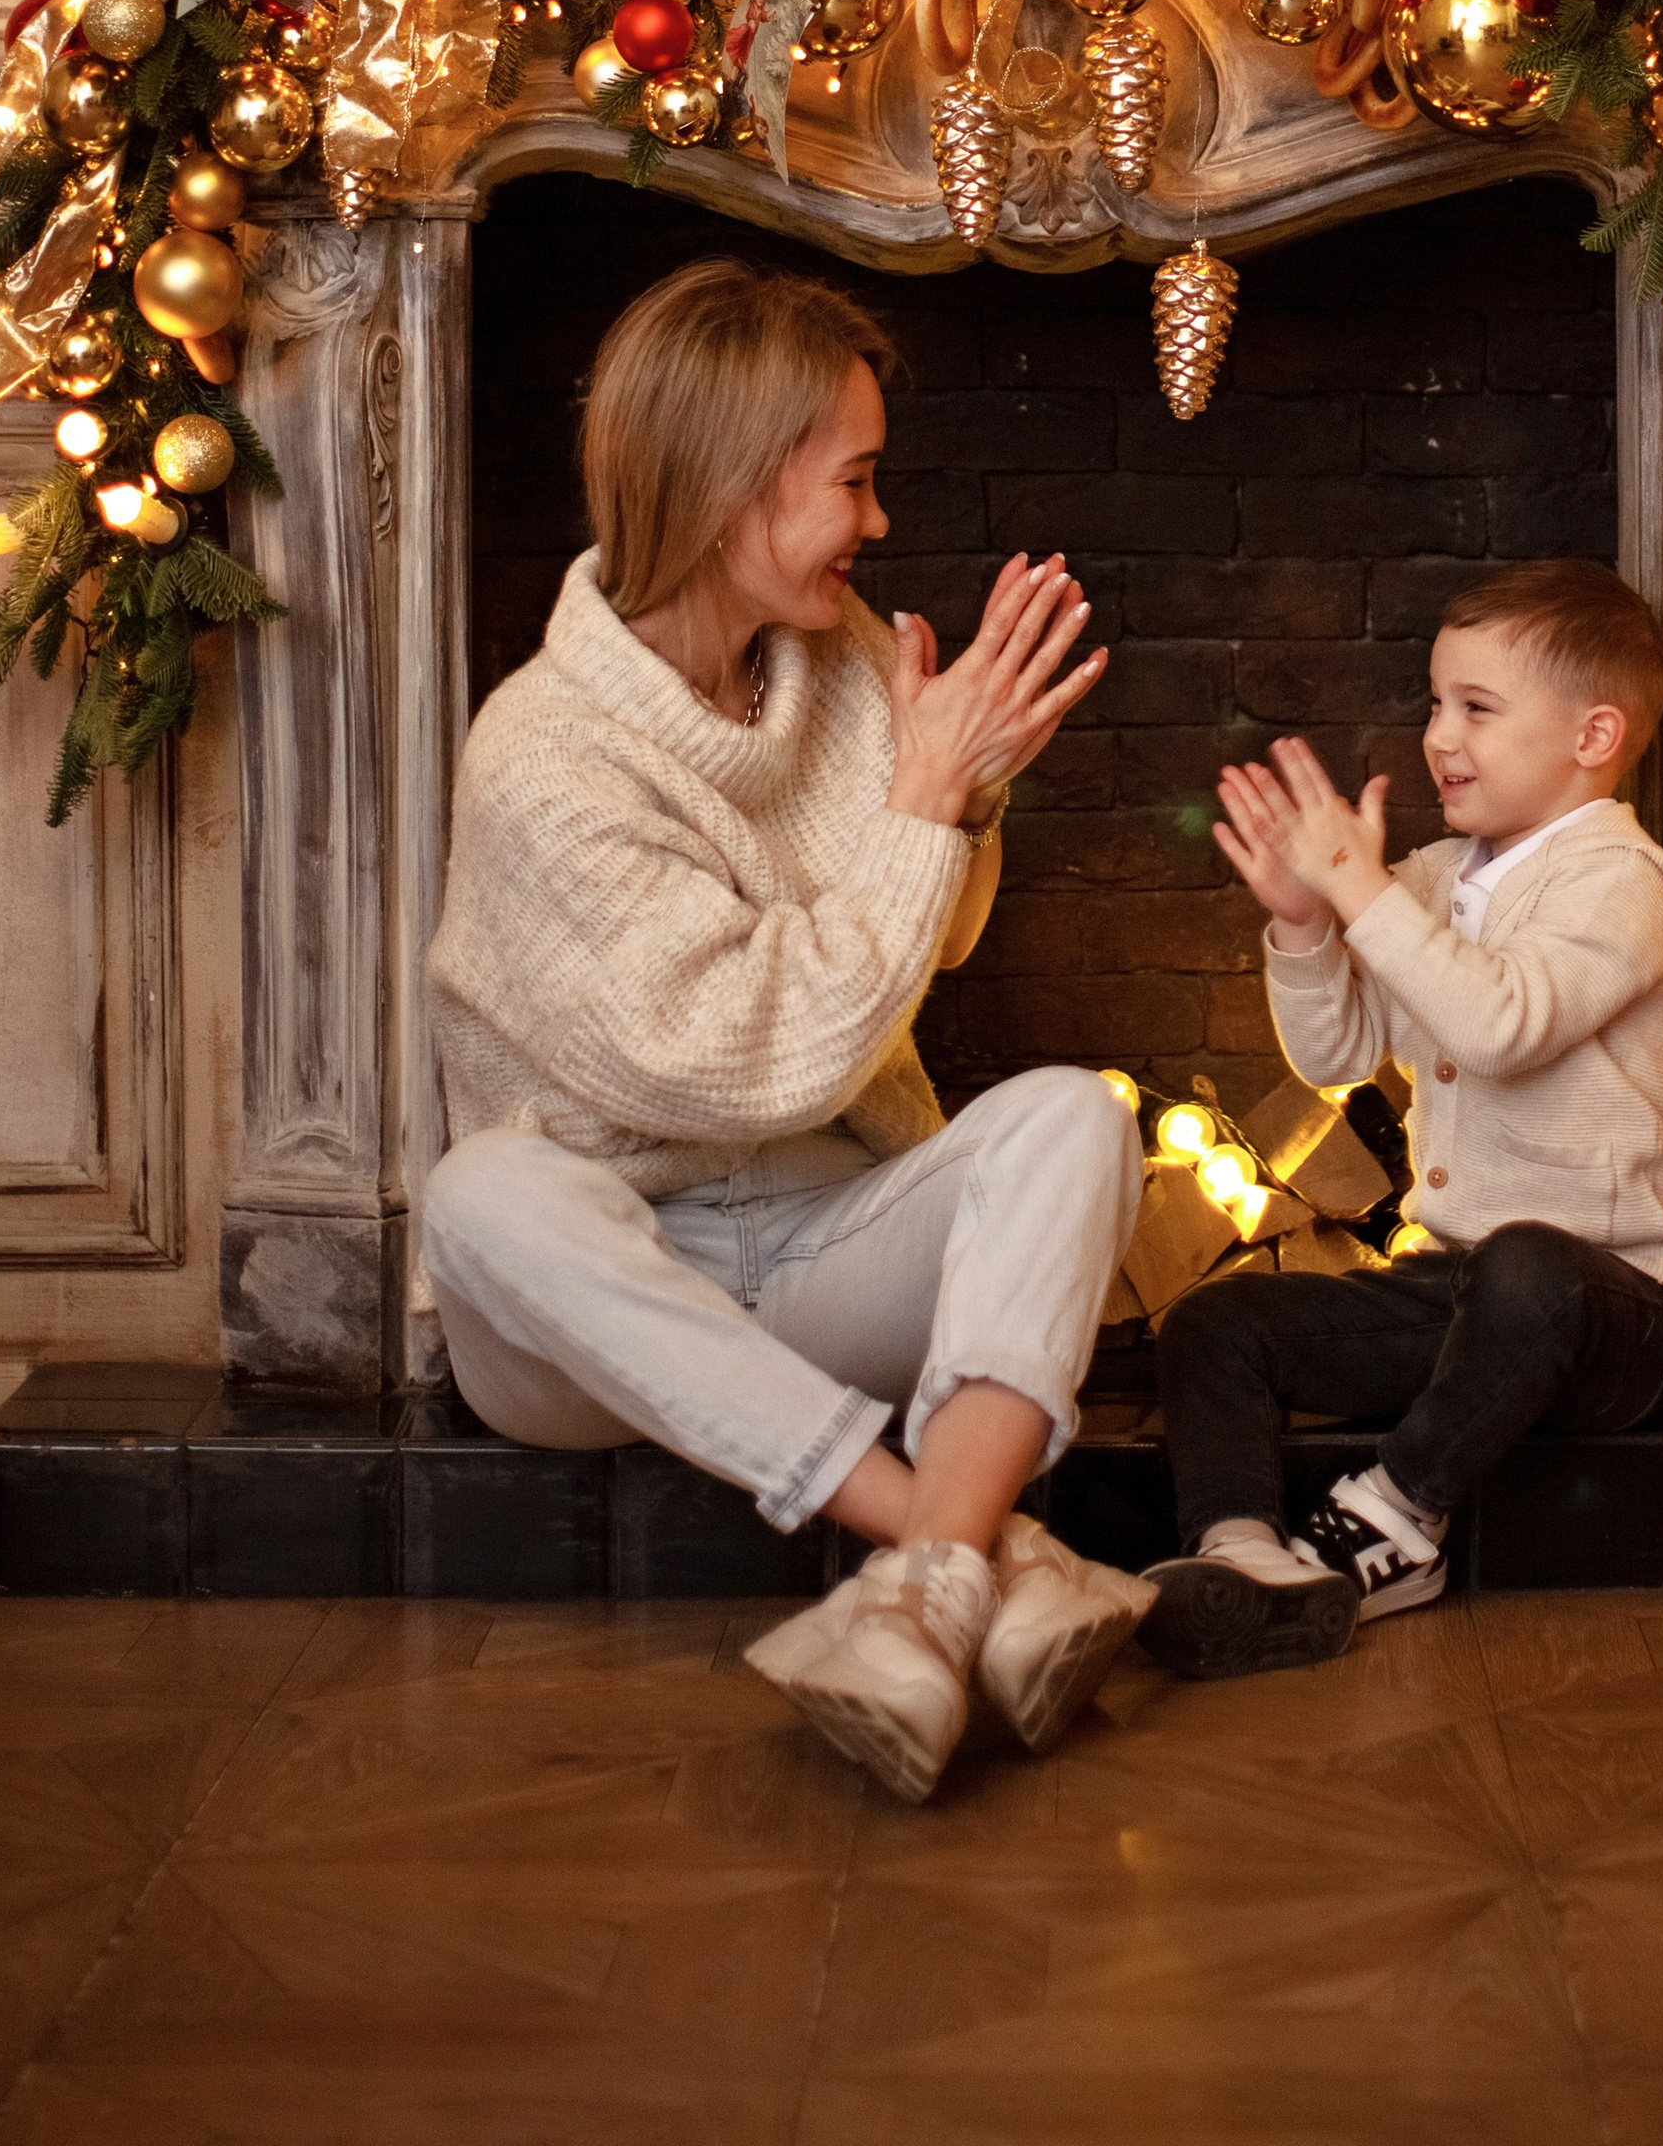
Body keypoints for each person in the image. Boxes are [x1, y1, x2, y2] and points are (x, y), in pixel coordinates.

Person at [420, 256, 1151, 1804]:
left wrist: (970, 792)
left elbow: (920, 948)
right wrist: (925, 799)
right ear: (730, 489)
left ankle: (920, 1595)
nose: (880, 524)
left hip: (823, 1238)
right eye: (855, 482)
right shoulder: (541, 755)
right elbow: (740, 1053)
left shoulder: (837, 666)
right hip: (596, 1308)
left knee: (1078, 1113)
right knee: (481, 1192)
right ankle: (969, 1550)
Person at [1139, 557, 1663, 1681]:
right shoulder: (1438, 880)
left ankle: (1397, 1518)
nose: (1439, 735)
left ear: (1593, 736)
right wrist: (1306, 926)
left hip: (1612, 1309)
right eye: (1435, 701)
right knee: (1212, 1324)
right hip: (1457, 1290)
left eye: (1477, 710)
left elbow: (1500, 1024)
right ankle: (1244, 1555)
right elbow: (1338, 1054)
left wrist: (1362, 894)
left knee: (1529, 1268)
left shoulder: (1632, 884)